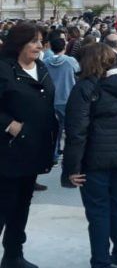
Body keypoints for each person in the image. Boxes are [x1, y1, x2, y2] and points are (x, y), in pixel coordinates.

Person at [63, 43, 117, 268]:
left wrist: (72, 168)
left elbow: (76, 131)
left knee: (99, 212)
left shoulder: (86, 88)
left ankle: (101, 261)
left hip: (95, 160)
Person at [0, 23, 58, 268]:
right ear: (19, 43)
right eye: (33, 41)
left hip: (35, 150)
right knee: (3, 206)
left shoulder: (41, 67)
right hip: (9, 152)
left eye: (40, 41)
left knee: (22, 206)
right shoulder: (3, 69)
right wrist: (8, 123)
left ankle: (13, 256)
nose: (38, 45)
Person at [44, 34, 78, 164]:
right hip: (67, 98)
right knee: (70, 129)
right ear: (64, 47)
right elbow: (78, 72)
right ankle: (69, 156)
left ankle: (54, 155)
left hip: (51, 99)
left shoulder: (45, 62)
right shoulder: (70, 61)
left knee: (55, 130)